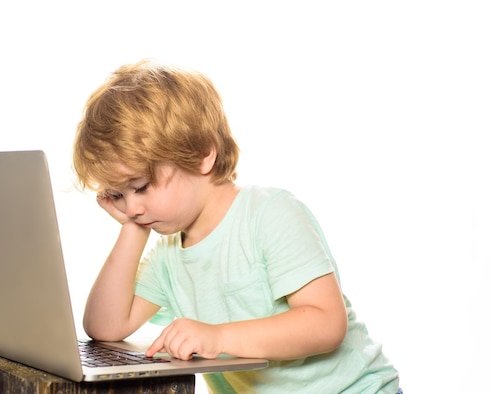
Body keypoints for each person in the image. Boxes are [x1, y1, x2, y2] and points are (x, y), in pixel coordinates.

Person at [72, 59, 400, 393]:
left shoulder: (269, 214)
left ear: (202, 155)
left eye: (140, 187)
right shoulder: (169, 253)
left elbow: (327, 323)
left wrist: (219, 336)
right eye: (118, 194)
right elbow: (104, 326)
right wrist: (132, 227)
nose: (132, 206)